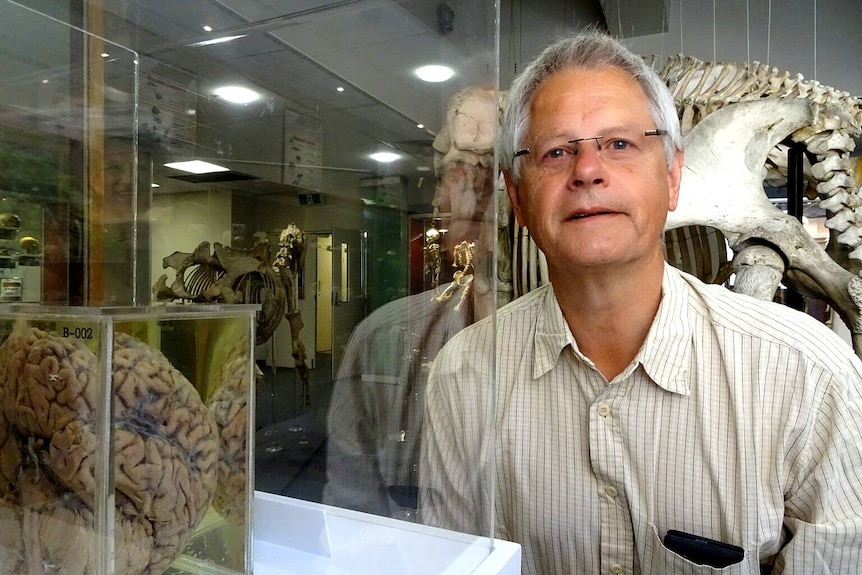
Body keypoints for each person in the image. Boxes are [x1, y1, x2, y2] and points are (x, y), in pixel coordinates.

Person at [419, 30, 862, 574]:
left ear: (674, 176)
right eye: (556, 151)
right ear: (517, 195)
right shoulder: (461, 376)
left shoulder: (812, 376)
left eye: (621, 144)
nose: (587, 171)